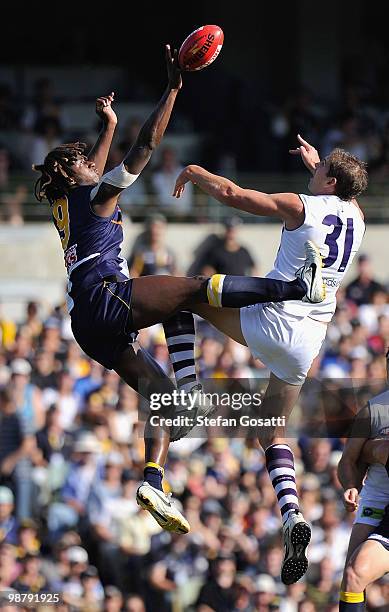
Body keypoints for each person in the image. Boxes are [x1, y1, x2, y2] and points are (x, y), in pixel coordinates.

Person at [32, 49, 323, 538]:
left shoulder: (70, 200)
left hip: (86, 322)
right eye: (84, 161)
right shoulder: (92, 193)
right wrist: (172, 90)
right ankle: (292, 286)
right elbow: (143, 149)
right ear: (73, 173)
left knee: (160, 399)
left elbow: (95, 169)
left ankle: (154, 480)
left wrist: (107, 126)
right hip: (108, 296)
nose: (93, 163)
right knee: (190, 289)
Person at [173, 133, 367, 583]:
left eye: (320, 171)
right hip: (309, 341)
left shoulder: (303, 206)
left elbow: (236, 196)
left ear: (330, 181)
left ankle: (187, 389)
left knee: (183, 297)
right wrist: (318, 166)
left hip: (273, 317)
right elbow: (335, 199)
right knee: (270, 428)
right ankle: (292, 512)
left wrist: (196, 172)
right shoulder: (356, 214)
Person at [337, 386, 389, 611]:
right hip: (377, 500)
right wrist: (351, 486)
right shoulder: (374, 410)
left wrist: (373, 449)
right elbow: (348, 459)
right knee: (352, 576)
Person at [188, 216, 256, 277]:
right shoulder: (216, 251)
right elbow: (207, 270)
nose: (231, 232)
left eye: (233, 229)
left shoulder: (243, 251)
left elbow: (254, 268)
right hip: (223, 288)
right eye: (229, 229)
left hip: (240, 288)